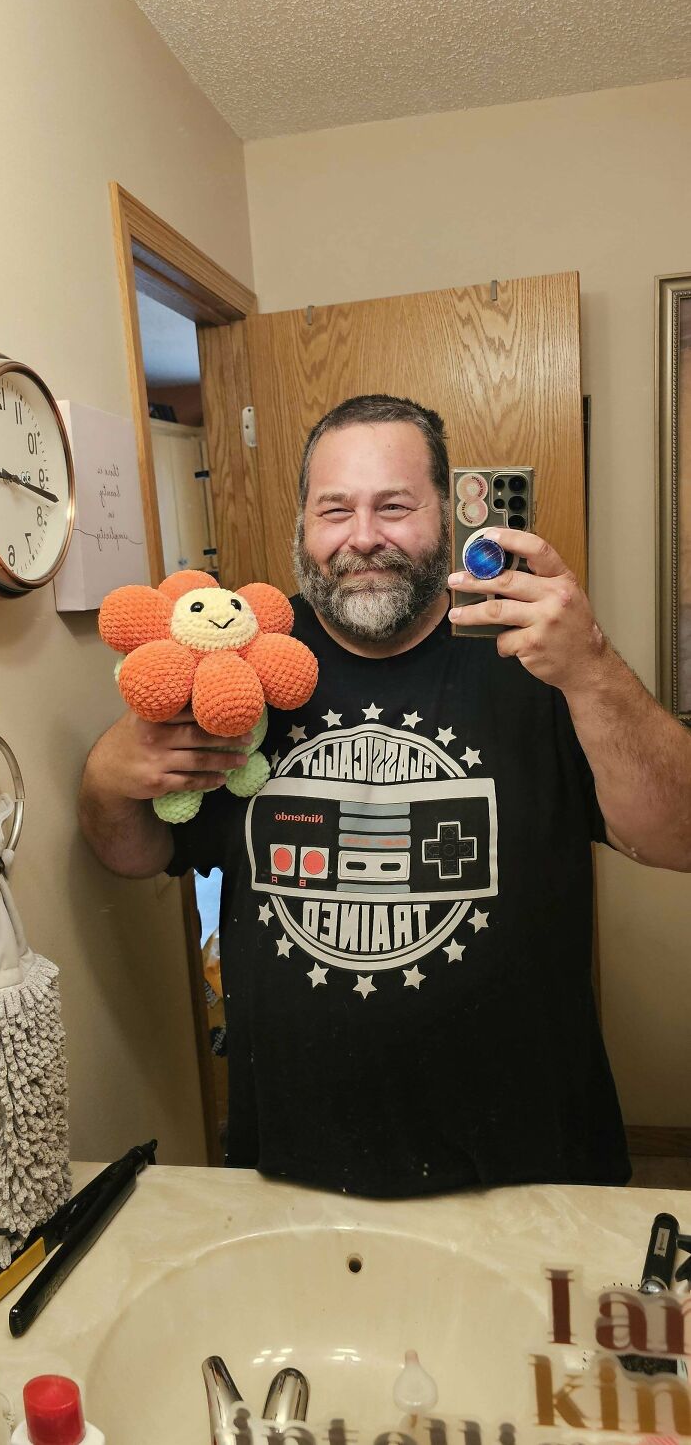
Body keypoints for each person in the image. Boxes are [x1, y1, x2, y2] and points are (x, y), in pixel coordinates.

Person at [79, 394, 691, 1199]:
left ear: (447, 515)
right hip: (295, 1164)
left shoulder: (540, 653)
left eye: (394, 506)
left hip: (529, 1168)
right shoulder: (240, 671)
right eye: (335, 509)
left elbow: (677, 834)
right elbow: (138, 854)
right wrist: (104, 781)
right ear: (303, 526)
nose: (363, 536)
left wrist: (595, 666)